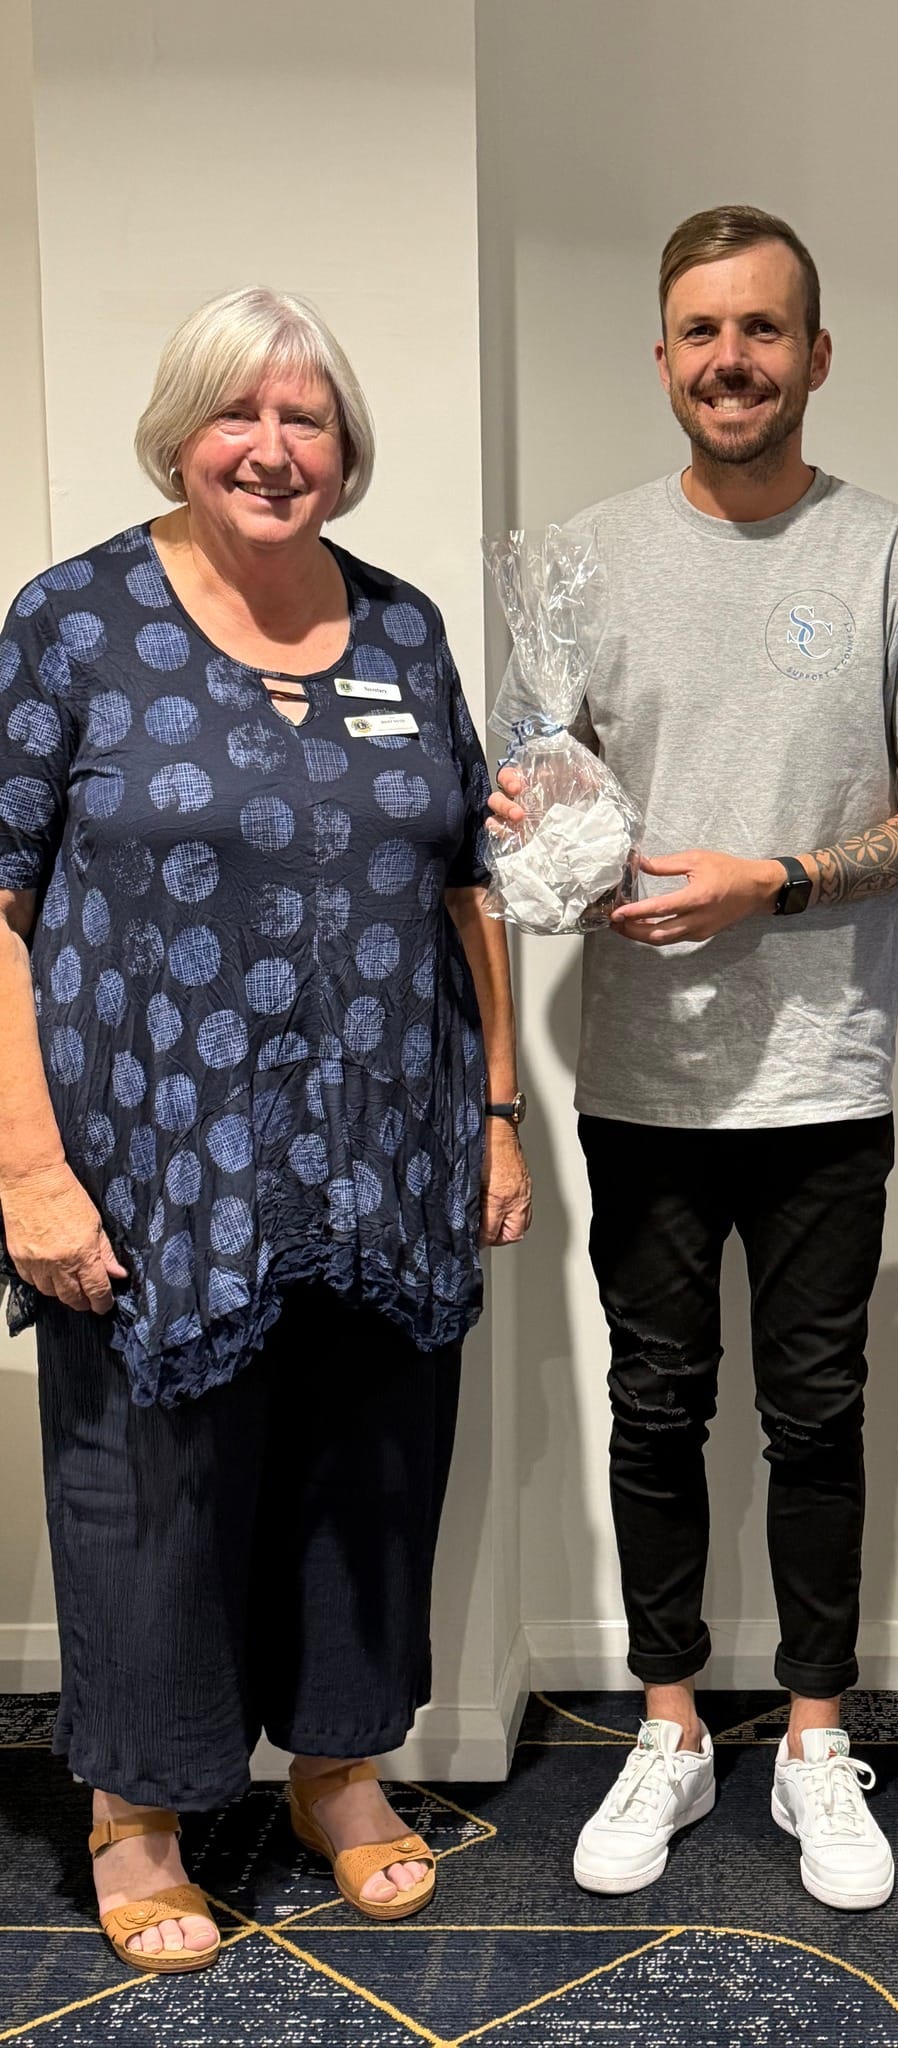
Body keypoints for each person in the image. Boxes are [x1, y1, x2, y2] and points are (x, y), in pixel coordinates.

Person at [0, 287, 530, 1973]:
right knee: (149, 1484)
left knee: (369, 1468)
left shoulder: (404, 630)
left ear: (348, 452)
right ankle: (139, 1810)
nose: (274, 449)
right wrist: (24, 1165)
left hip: (389, 1145)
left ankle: (338, 1769)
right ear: (181, 430)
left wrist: (500, 1119)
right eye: (242, 415)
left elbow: (472, 890)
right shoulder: (74, 622)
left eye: (308, 422)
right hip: (151, 1157)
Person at [491, 204, 898, 1910]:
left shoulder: (895, 561)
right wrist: (540, 834)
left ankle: (807, 1737)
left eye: (764, 331)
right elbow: (542, 805)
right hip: (637, 1077)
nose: (732, 360)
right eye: (703, 332)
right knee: (654, 1408)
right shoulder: (579, 563)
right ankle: (668, 1725)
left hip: (823, 1080)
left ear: (815, 353)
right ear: (662, 357)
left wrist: (773, 880)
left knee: (818, 1418)